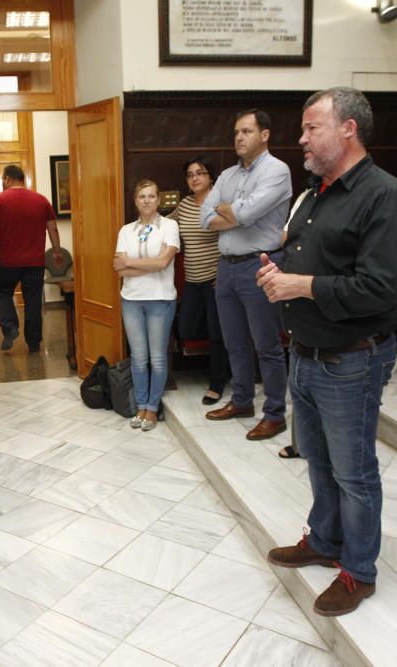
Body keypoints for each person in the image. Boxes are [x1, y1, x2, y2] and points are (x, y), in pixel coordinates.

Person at [259, 87, 397, 617]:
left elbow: (378, 288)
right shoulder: (317, 191)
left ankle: (359, 570)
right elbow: (311, 259)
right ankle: (325, 539)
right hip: (305, 353)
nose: (301, 138)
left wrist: (300, 286)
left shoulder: (386, 197)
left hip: (353, 358)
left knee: (354, 472)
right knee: (318, 462)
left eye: (312, 128)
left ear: (348, 129)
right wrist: (279, 275)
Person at [201, 109, 292, 441]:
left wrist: (233, 212)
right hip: (225, 267)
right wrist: (236, 215)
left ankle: (275, 414)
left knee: (267, 345)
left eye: (246, 131)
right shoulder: (226, 175)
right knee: (234, 343)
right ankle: (241, 401)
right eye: (236, 132)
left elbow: (247, 212)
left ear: (264, 135)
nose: (238, 137)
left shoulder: (277, 171)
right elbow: (203, 216)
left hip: (260, 264)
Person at [113, 180, 180, 432]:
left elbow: (164, 263)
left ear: (158, 200)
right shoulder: (125, 231)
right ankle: (141, 405)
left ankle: (152, 408)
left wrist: (132, 263)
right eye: (142, 196)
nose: (147, 200)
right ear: (135, 200)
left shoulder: (170, 226)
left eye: (152, 196)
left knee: (158, 358)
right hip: (131, 299)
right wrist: (149, 263)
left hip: (160, 299)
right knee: (139, 358)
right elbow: (119, 268)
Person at [168, 157, 229, 405]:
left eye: (200, 173)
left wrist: (225, 274)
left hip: (216, 280)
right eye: (190, 174)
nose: (194, 178)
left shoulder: (221, 204)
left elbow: (237, 236)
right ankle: (229, 342)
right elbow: (165, 223)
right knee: (187, 330)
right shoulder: (184, 205)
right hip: (193, 281)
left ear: (210, 177)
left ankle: (217, 384)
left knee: (216, 335)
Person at [0, 164, 63, 353]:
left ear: (8, 179)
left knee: (2, 291)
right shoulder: (41, 200)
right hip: (35, 262)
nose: (2, 183)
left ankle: (10, 327)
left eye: (3, 179)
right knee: (33, 301)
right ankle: (34, 342)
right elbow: (52, 227)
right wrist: (57, 251)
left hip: (7, 261)